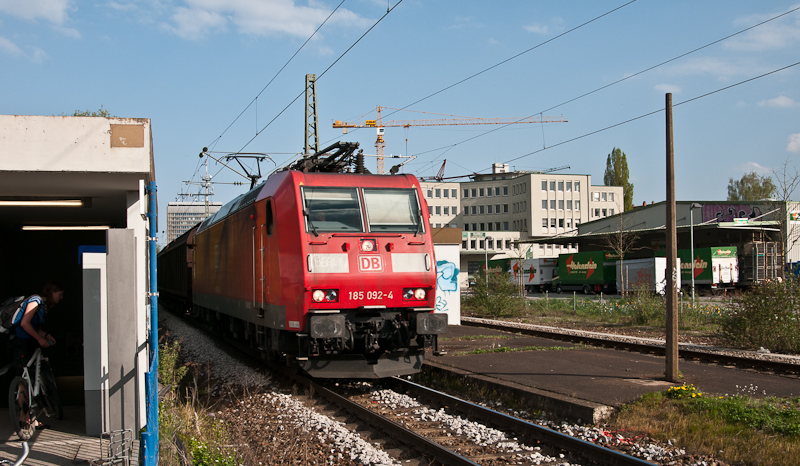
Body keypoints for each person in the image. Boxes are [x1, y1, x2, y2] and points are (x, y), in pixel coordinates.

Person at [11, 281, 64, 430]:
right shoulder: (36, 301)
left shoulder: (43, 307)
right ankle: (24, 419)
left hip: (28, 343)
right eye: (60, 294)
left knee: (30, 379)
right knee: (23, 379)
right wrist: (40, 339)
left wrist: (46, 335)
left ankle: (31, 418)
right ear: (52, 292)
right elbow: (25, 324)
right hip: (21, 344)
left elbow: (34, 328)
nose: (61, 297)